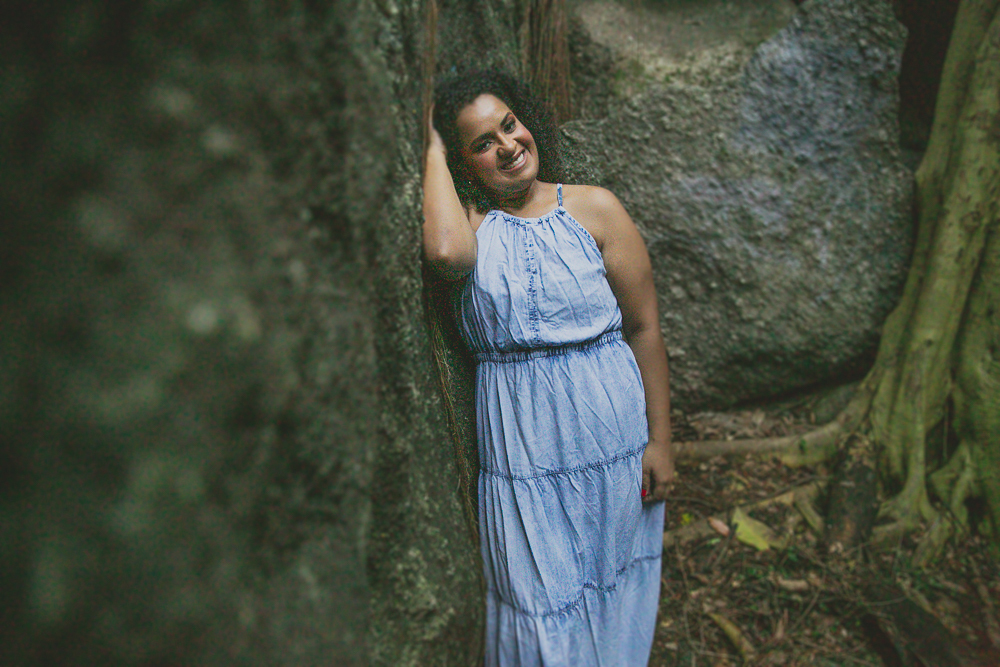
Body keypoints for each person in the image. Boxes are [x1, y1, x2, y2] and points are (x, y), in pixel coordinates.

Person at [423, 69, 674, 666]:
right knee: (537, 608)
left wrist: (661, 441)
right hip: (523, 455)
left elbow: (644, 329)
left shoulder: (595, 209)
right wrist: (429, 141)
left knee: (613, 594)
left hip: (613, 441)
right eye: (483, 142)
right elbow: (445, 253)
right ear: (464, 164)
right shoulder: (470, 228)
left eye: (510, 125)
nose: (508, 145)